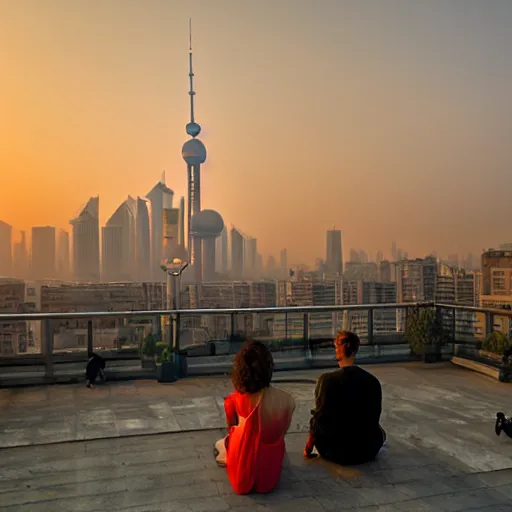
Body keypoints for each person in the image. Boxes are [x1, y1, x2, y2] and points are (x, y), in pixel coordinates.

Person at [214, 340, 295, 495]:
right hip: (269, 473)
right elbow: (282, 433)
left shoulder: (234, 400)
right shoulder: (286, 401)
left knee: (221, 444)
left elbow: (230, 430)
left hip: (243, 469)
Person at [304, 330, 385, 465]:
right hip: (367, 450)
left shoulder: (327, 381)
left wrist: (308, 448)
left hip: (335, 451)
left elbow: (318, 418)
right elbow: (374, 417)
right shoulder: (372, 381)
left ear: (337, 351)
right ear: (355, 351)